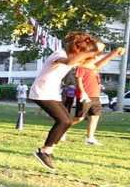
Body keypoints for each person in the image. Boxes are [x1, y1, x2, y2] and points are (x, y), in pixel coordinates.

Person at [30, 31, 100, 170]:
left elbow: (94, 65)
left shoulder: (71, 57)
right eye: (83, 53)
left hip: (51, 94)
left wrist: (111, 53)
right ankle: (44, 151)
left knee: (67, 121)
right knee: (64, 121)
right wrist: (89, 53)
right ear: (77, 49)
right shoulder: (60, 54)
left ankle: (47, 151)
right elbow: (69, 62)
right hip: (41, 92)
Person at [73, 43, 124, 145]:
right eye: (95, 55)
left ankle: (90, 138)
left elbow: (105, 59)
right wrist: (83, 93)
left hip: (95, 96)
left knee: (95, 116)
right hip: (85, 97)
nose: (97, 57)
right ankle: (62, 129)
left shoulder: (94, 67)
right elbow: (79, 81)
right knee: (79, 118)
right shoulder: (81, 67)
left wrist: (115, 52)